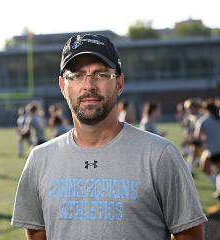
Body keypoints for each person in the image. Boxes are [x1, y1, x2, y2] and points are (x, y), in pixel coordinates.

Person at [11, 33, 206, 239]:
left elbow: (190, 236)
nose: (89, 86)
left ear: (119, 83)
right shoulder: (40, 159)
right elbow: (37, 235)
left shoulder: (159, 155)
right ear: (62, 86)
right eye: (76, 75)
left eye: (101, 74)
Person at [194, 99, 220, 199]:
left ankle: (218, 189)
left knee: (205, 169)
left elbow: (197, 138)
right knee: (217, 172)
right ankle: (218, 189)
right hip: (215, 150)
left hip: (212, 151)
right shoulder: (218, 118)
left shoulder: (203, 120)